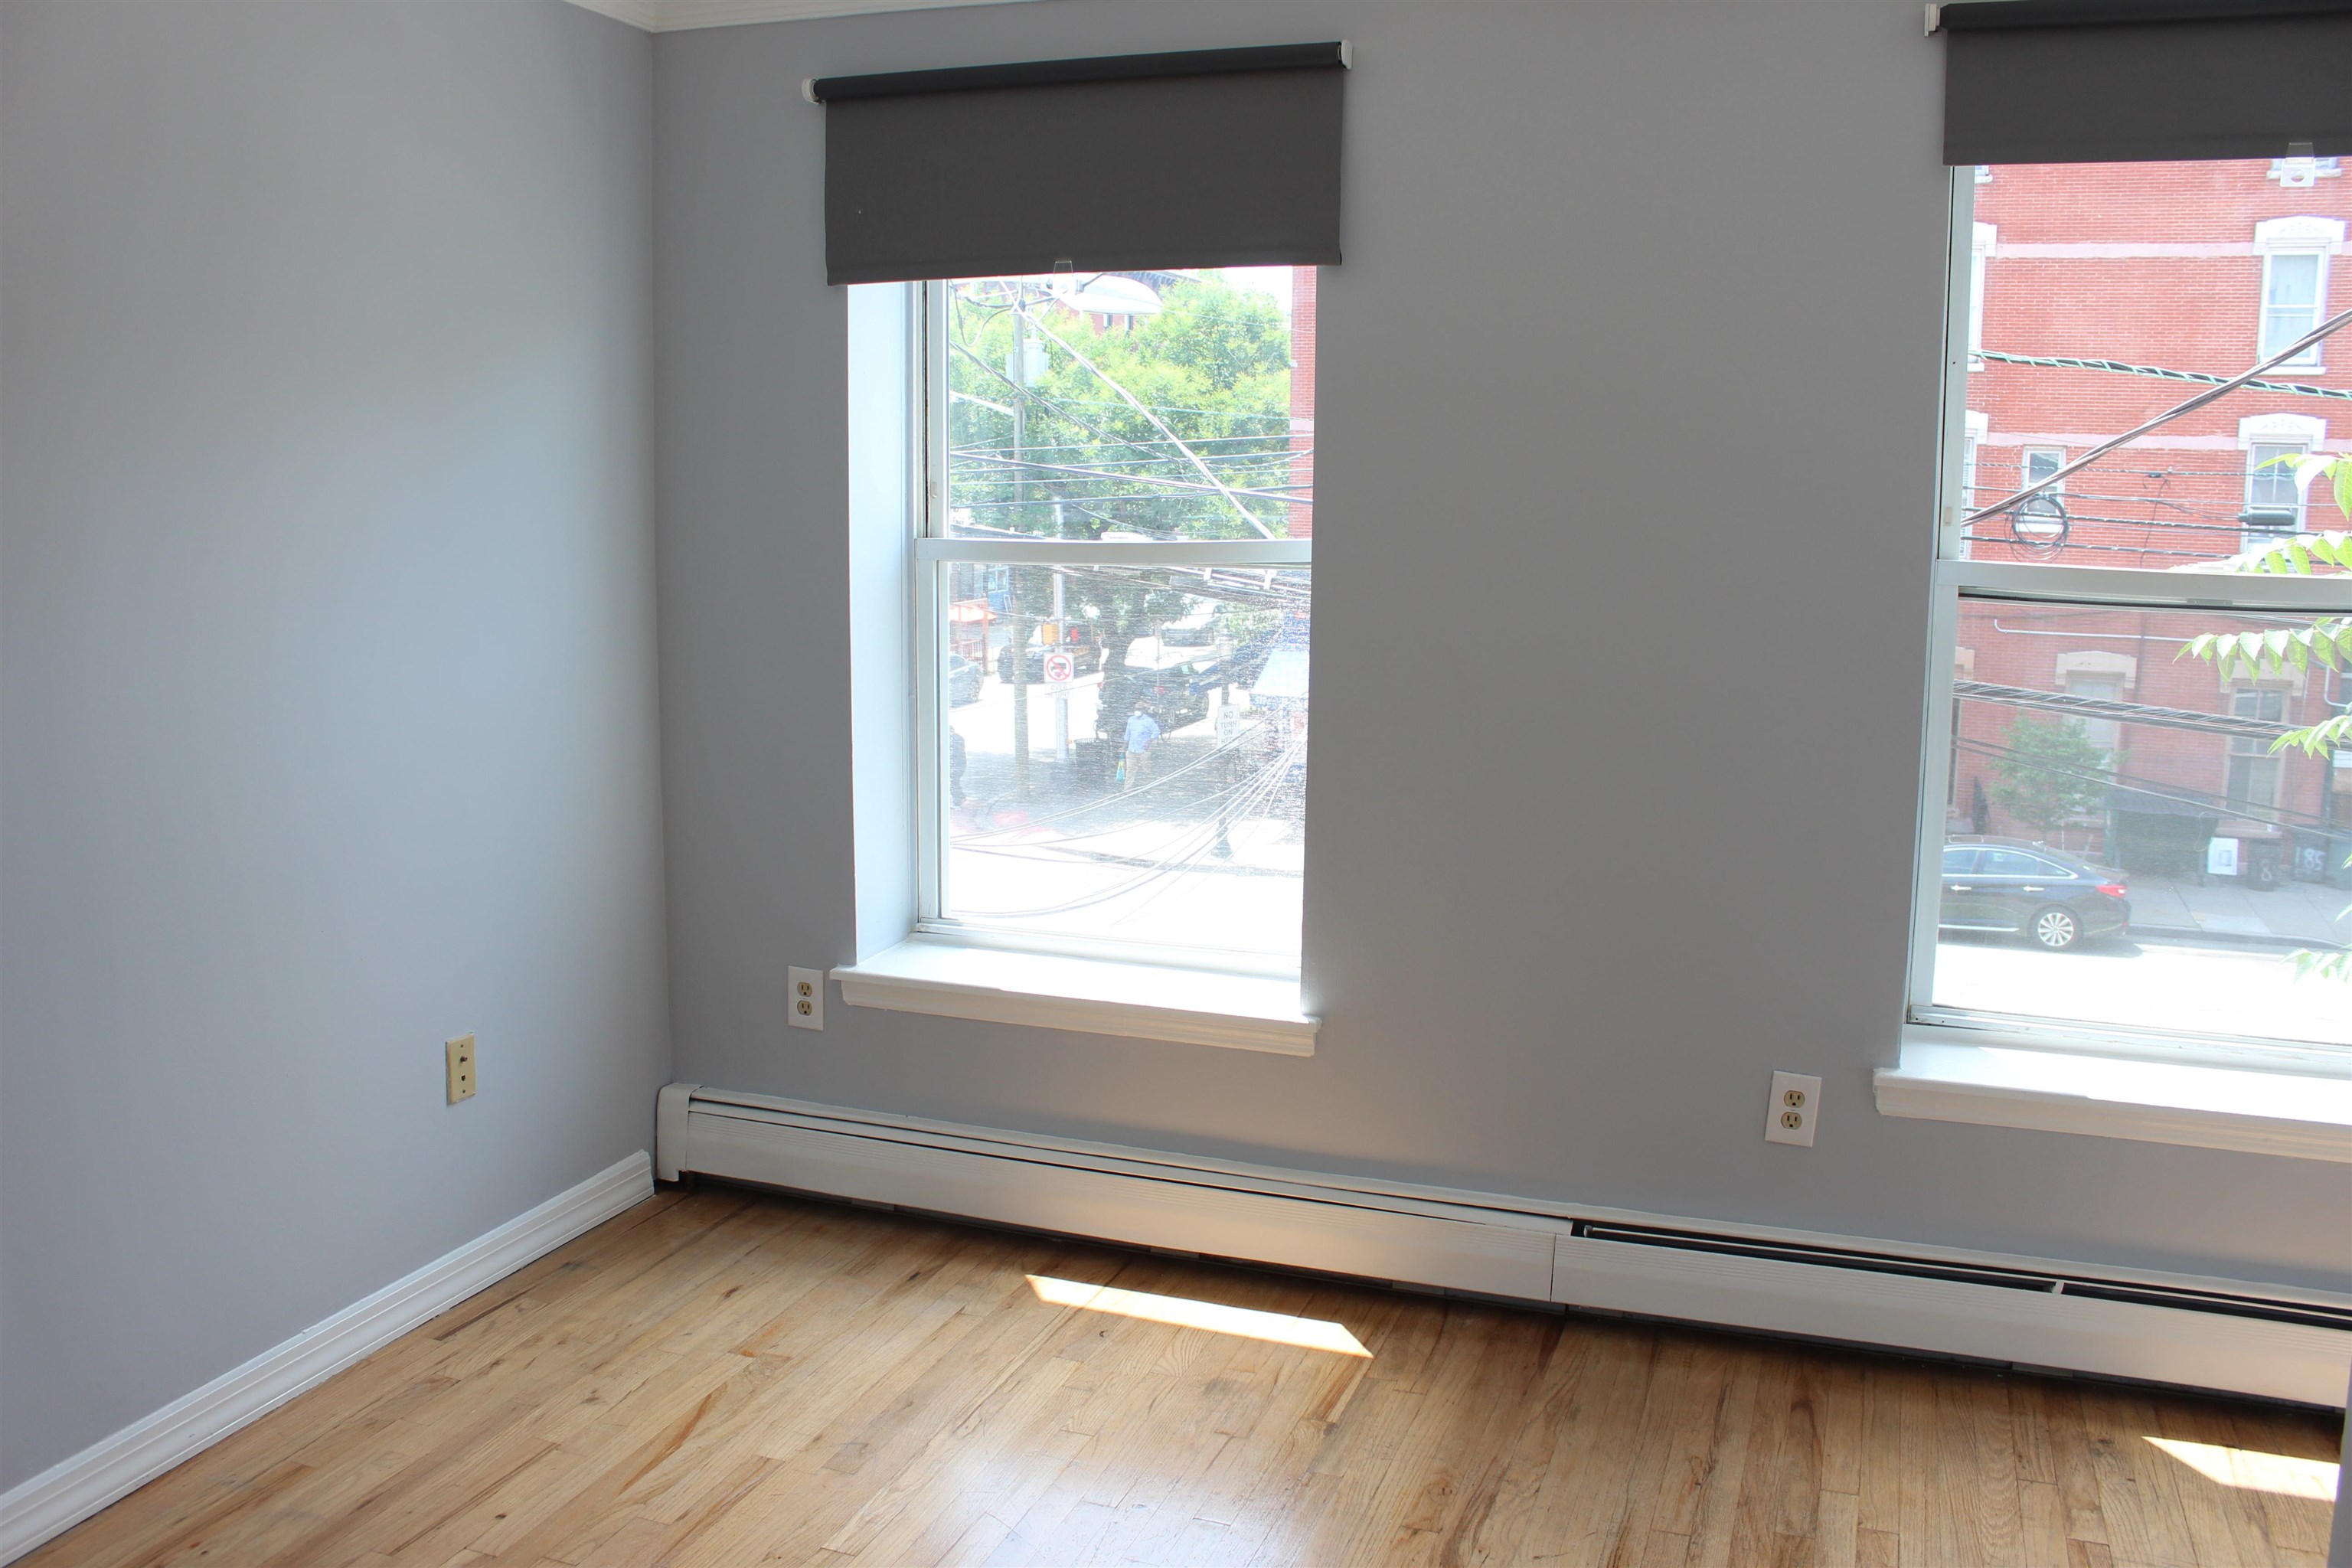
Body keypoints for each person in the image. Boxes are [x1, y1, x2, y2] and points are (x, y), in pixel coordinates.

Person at [1121, 707, 1161, 792]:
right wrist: (1124, 747)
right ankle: (1127, 789)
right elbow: (1127, 734)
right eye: (1136, 709)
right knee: (1130, 770)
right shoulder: (1131, 720)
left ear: (1143, 710)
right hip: (1132, 750)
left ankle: (1148, 788)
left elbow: (1156, 731)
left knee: (1147, 770)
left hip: (1144, 750)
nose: (1137, 711)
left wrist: (1149, 742)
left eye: (1139, 709)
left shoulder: (1148, 721)